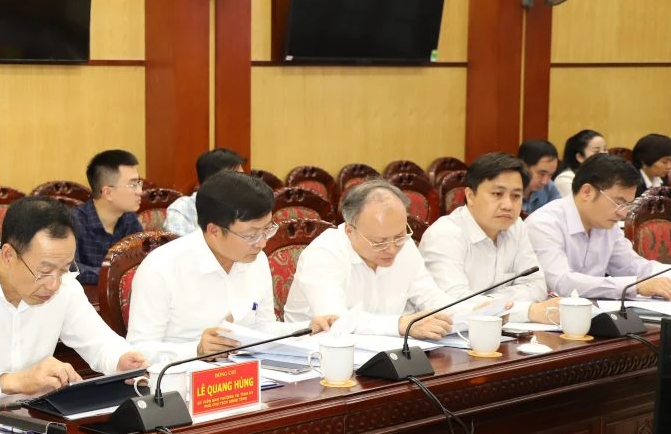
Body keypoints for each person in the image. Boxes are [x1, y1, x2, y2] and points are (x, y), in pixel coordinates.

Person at [0, 197, 147, 407]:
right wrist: (12, 382)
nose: (53, 284)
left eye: (64, 268)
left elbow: (100, 343)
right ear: (8, 255)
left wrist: (122, 360)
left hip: (38, 422)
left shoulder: (65, 286)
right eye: (44, 271)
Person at [126, 171, 335, 364]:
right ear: (214, 231)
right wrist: (196, 350)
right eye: (251, 235)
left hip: (249, 375)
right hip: (183, 380)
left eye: (267, 230)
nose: (262, 243)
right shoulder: (161, 267)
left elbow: (263, 328)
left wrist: (308, 328)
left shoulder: (256, 260)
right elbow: (139, 350)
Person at [284, 181, 452, 338]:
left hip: (386, 351)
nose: (392, 249)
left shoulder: (404, 245)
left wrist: (458, 314)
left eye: (399, 236)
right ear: (350, 231)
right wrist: (399, 324)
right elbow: (335, 323)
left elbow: (432, 298)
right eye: (379, 242)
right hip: (315, 353)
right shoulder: (323, 253)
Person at [419, 153, 559, 324]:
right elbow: (454, 303)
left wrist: (491, 302)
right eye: (497, 194)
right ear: (470, 196)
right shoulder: (444, 235)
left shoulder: (516, 226)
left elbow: (536, 286)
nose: (508, 205)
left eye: (516, 196)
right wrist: (528, 311)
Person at [525, 153, 671, 299]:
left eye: (627, 204)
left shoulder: (607, 225)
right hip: (550, 310)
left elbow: (633, 266)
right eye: (618, 203)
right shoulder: (543, 224)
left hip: (594, 309)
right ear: (587, 192)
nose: (623, 213)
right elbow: (563, 283)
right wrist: (635, 286)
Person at [70, 149, 144, 285]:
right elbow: (71, 270)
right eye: (133, 184)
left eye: (139, 183)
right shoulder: (73, 222)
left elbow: (141, 264)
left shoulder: (130, 220)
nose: (140, 191)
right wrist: (115, 275)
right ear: (108, 193)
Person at [163, 148, 246, 236]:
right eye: (235, 178)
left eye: (242, 177)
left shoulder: (243, 208)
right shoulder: (182, 208)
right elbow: (179, 243)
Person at [553, 129, 606, 197]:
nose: (604, 154)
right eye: (596, 151)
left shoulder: (605, 176)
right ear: (580, 157)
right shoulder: (566, 179)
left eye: (605, 149)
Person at [518, 139, 561, 214]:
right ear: (524, 166)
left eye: (550, 175)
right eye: (541, 174)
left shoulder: (549, 188)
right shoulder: (506, 189)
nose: (545, 182)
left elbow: (560, 214)